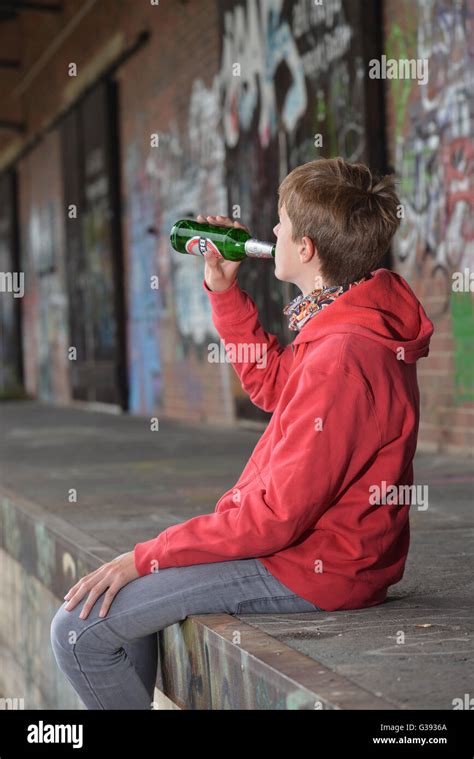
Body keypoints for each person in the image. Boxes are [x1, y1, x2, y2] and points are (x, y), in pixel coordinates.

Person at [50, 157, 434, 709]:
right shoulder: (344, 321)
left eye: (281, 222)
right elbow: (279, 389)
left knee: (78, 630)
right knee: (114, 612)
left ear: (305, 249)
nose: (271, 231)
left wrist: (144, 556)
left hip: (311, 565)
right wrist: (224, 292)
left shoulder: (343, 352)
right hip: (314, 549)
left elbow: (275, 518)